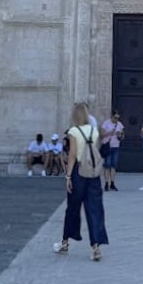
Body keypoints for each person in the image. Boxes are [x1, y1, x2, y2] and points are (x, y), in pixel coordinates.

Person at [54, 102, 108, 261]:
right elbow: (95, 152)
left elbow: (72, 155)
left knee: (72, 209)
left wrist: (68, 176)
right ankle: (96, 246)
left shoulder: (73, 131)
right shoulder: (94, 131)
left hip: (78, 173)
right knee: (95, 209)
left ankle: (65, 243)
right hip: (93, 175)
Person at [99, 111, 124, 191]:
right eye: (115, 118)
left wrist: (120, 135)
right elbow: (101, 135)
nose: (117, 119)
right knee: (107, 165)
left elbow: (123, 136)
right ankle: (106, 183)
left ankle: (112, 182)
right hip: (108, 147)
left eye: (118, 118)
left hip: (116, 146)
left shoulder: (120, 124)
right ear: (112, 117)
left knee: (113, 165)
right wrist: (110, 132)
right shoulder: (106, 124)